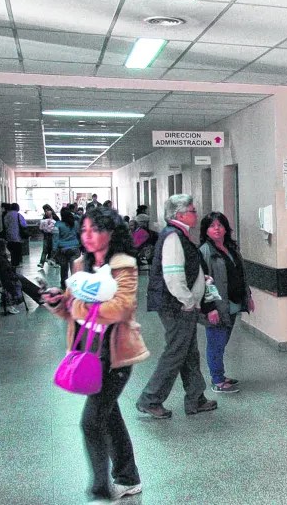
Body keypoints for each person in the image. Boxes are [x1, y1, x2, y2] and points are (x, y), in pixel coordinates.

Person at [42, 207, 149, 502]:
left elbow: (122, 308)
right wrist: (57, 302)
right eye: (84, 230)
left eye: (96, 230)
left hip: (115, 355)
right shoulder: (80, 264)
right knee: (109, 415)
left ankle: (102, 484)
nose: (88, 236)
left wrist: (78, 305)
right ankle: (128, 478)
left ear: (110, 234)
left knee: (91, 420)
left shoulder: (123, 265)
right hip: (87, 352)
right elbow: (70, 309)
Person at [136, 194, 218, 419]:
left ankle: (195, 398)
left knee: (189, 353)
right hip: (177, 307)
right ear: (179, 214)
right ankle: (150, 399)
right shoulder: (173, 237)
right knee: (175, 353)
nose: (196, 214)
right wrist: (189, 301)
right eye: (192, 210)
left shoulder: (179, 235)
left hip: (181, 306)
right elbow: (173, 276)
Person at [198, 212, 254, 393]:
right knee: (216, 343)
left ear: (225, 228)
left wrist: (248, 296)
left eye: (220, 225)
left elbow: (240, 275)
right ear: (205, 230)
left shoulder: (231, 248)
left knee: (222, 342)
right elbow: (203, 283)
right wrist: (210, 308)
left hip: (232, 303)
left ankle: (220, 374)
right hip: (217, 306)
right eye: (212, 226)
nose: (216, 229)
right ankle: (217, 380)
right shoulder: (205, 252)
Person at [0, 239, 25, 314]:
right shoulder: (0, 260)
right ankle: (12, 303)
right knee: (15, 284)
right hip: (3, 278)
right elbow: (5, 270)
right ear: (1, 249)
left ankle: (13, 302)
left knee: (17, 282)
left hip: (3, 276)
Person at [54, 207, 81, 289]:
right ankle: (75, 285)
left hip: (62, 249)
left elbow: (55, 238)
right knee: (74, 269)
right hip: (75, 248)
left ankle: (64, 285)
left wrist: (54, 249)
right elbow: (79, 235)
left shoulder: (58, 224)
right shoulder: (75, 223)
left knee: (64, 268)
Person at [3, 202, 27, 266]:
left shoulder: (7, 215)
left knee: (12, 250)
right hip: (17, 235)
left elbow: (5, 224)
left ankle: (13, 263)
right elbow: (24, 224)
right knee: (17, 250)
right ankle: (16, 263)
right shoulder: (18, 215)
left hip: (9, 235)